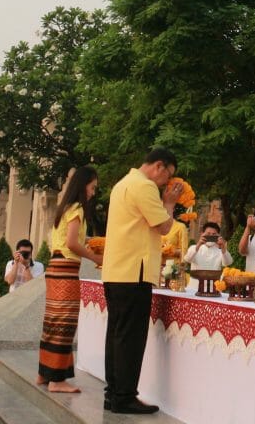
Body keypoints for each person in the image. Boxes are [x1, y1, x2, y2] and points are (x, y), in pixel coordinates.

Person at [101, 147, 185, 415]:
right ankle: (125, 396)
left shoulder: (122, 184)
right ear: (158, 166)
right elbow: (163, 226)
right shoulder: (144, 186)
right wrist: (170, 202)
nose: (166, 183)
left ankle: (113, 393)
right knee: (130, 336)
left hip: (116, 270)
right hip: (134, 272)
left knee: (116, 334)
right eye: (167, 176)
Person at [38, 164, 103, 394]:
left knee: (53, 322)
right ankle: (57, 380)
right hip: (66, 270)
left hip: (55, 268)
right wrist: (96, 257)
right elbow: (72, 243)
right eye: (92, 187)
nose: (93, 192)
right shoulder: (77, 208)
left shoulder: (64, 207)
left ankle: (45, 373)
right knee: (64, 324)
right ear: (83, 185)